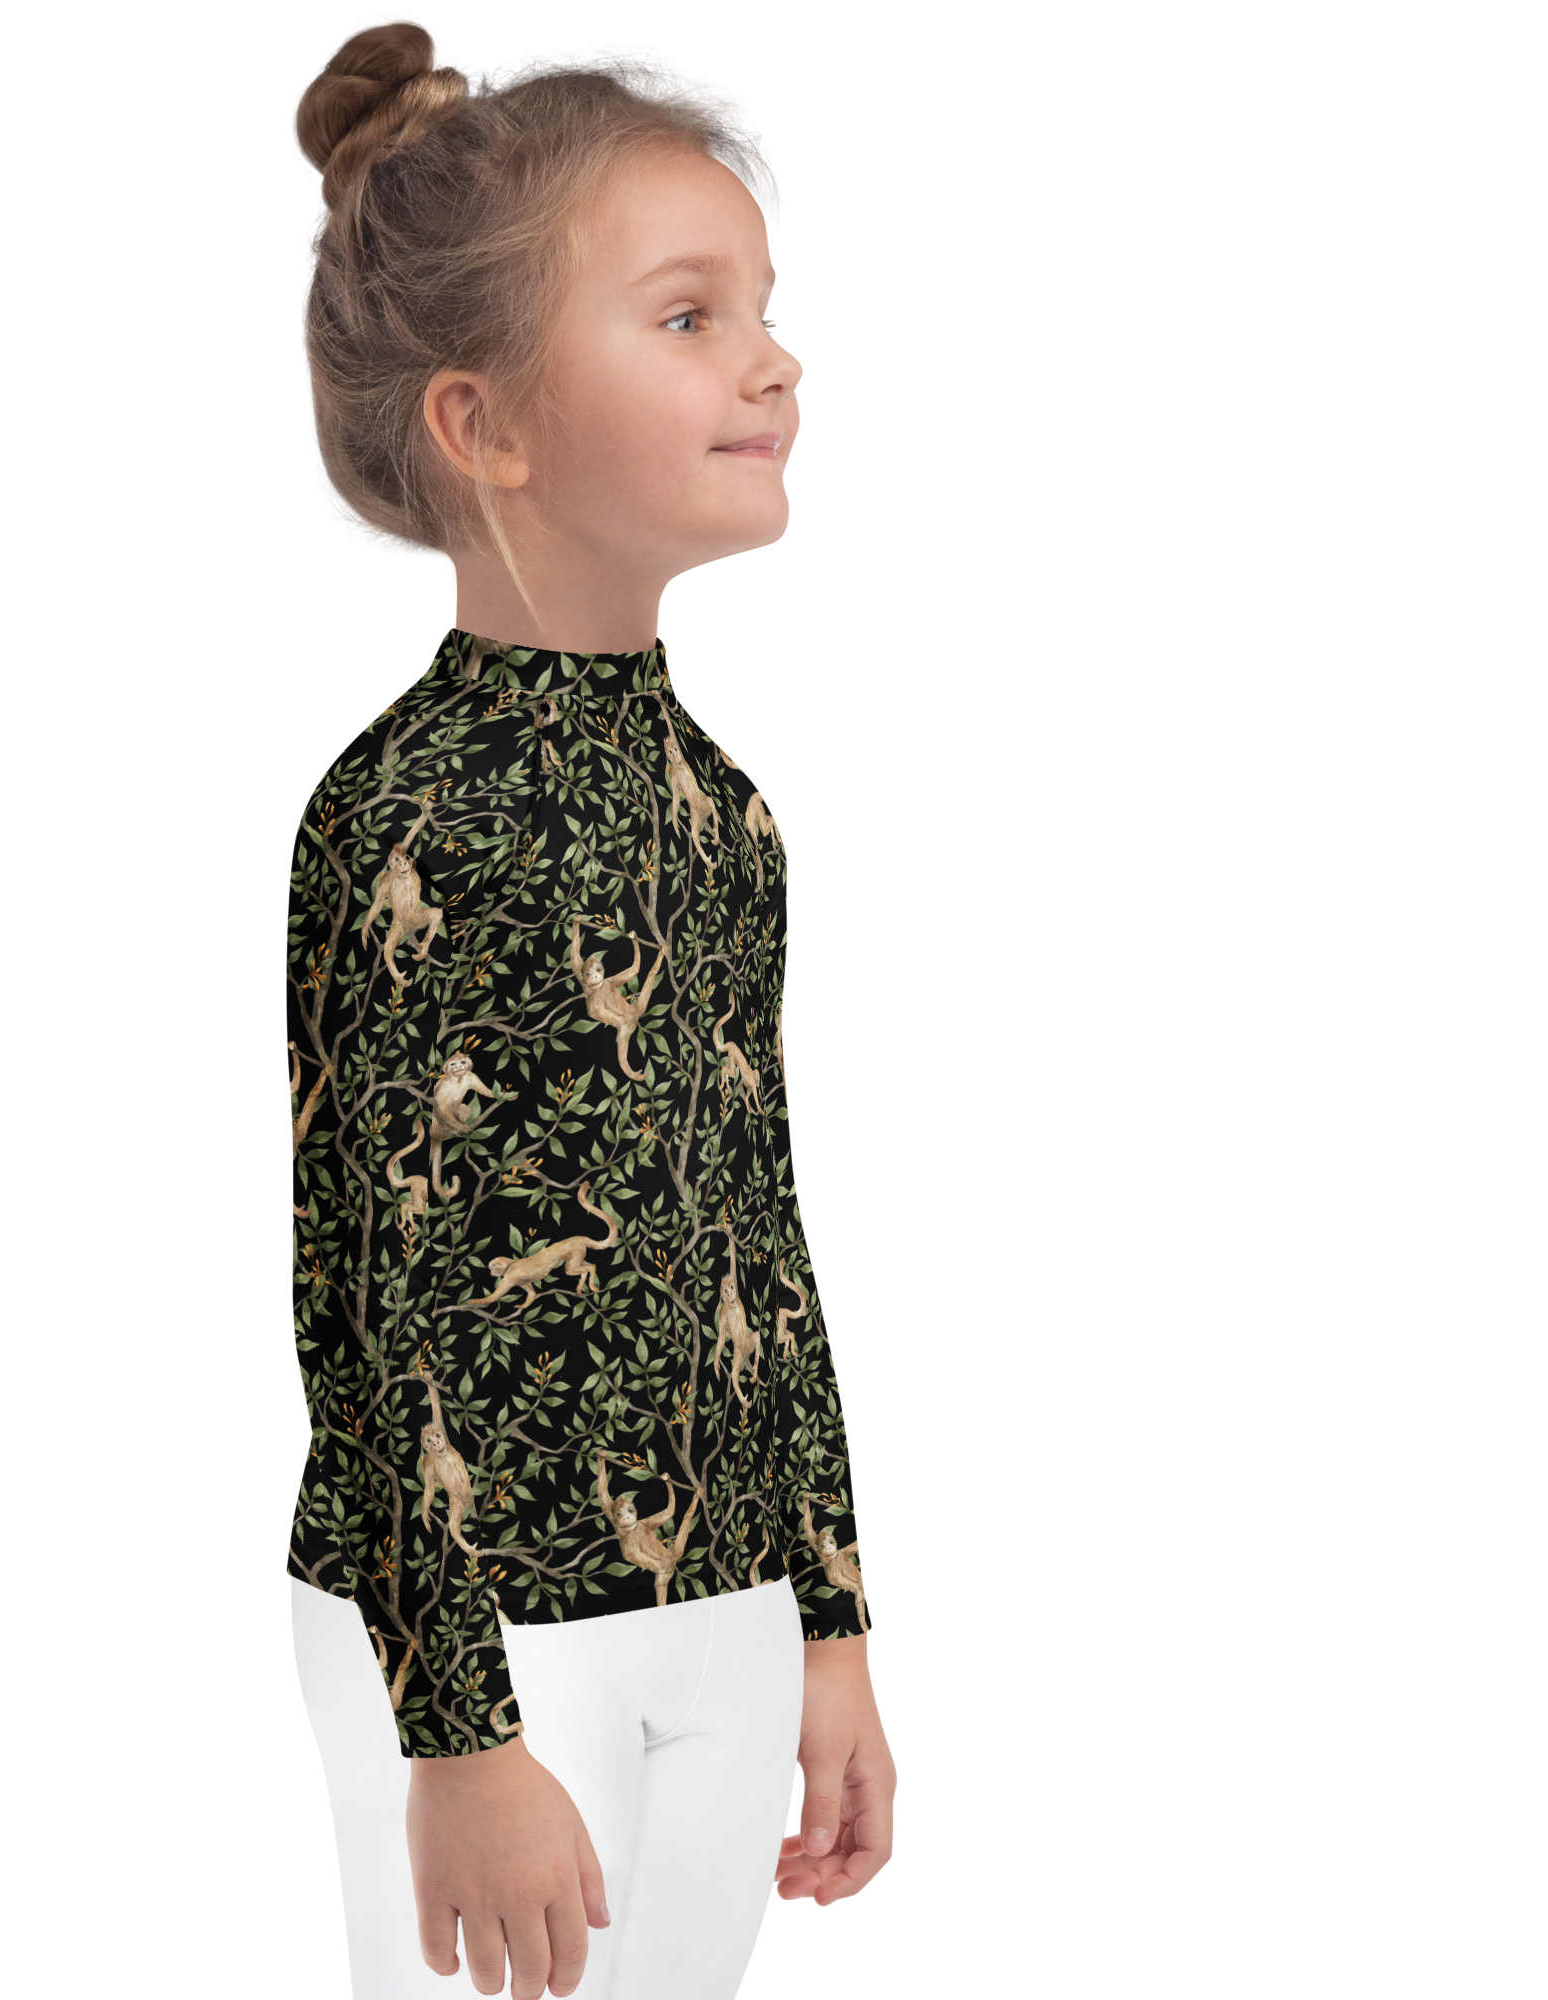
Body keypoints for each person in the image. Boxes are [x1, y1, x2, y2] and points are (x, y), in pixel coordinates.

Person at [284, 22, 896, 1998]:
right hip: (480, 1641)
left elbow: (755, 1227)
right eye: (690, 315)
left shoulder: (722, 811)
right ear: (486, 424)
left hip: (722, 1614)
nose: (774, 363)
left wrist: (826, 1626)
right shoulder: (409, 815)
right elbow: (362, 1278)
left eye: (768, 309)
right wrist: (455, 1733)